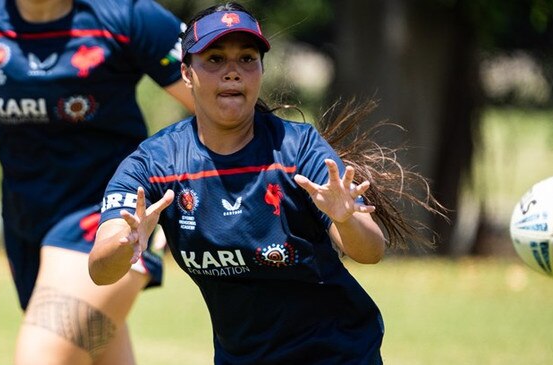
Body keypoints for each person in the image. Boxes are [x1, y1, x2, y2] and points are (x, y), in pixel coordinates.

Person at [89, 2, 442, 364]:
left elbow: (371, 250)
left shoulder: (297, 148)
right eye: (214, 59)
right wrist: (125, 242)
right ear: (186, 73)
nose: (233, 73)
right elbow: (100, 271)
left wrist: (345, 218)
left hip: (335, 353)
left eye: (247, 58)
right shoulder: (155, 163)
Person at [0, 0, 193, 363]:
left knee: (41, 357)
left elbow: (221, 106)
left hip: (110, 218)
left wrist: (186, 190)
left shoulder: (128, 15)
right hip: (27, 227)